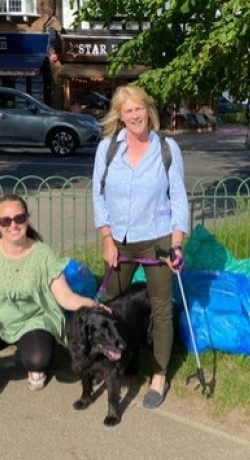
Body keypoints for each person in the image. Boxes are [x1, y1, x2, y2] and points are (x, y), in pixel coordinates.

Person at [92, 84, 189, 409]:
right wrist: (107, 238)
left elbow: (178, 197)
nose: (135, 115)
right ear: (119, 116)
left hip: (157, 239)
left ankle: (159, 374)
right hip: (118, 241)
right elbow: (98, 196)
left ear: (149, 110)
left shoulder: (166, 148)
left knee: (160, 309)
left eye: (139, 108)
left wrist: (177, 244)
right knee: (111, 305)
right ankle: (116, 361)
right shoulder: (107, 148)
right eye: (128, 110)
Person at [0, 194, 102, 400]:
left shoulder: (43, 254)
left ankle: (36, 364)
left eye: (19, 218)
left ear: (27, 218)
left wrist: (93, 304)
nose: (13, 225)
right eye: (5, 221)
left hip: (33, 319)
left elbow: (65, 297)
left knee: (38, 359)